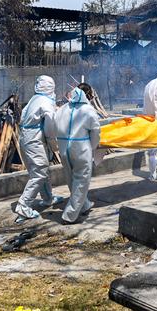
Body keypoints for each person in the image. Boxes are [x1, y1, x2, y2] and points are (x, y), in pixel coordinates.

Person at [45, 87, 101, 224]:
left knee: (71, 180)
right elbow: (96, 132)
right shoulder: (88, 110)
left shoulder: (62, 109)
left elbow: (53, 127)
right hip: (81, 150)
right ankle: (69, 216)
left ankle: (85, 204)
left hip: (64, 151)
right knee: (81, 183)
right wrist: (92, 147)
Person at [14, 75, 64, 224]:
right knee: (39, 171)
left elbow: (23, 117)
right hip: (34, 139)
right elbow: (50, 127)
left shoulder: (34, 99)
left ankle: (48, 198)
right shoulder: (46, 102)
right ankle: (23, 205)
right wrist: (53, 144)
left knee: (42, 170)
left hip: (26, 137)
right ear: (51, 88)